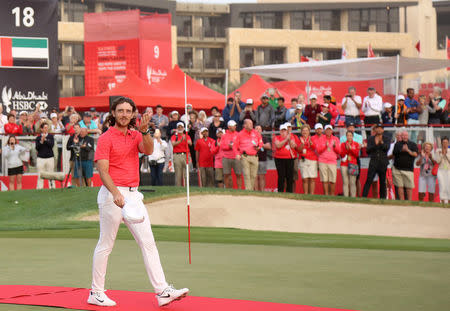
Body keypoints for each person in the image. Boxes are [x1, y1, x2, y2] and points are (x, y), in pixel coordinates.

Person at [89, 97, 188, 307]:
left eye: (128, 111)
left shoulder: (136, 134)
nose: (124, 114)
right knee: (106, 244)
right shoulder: (106, 138)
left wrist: (144, 131)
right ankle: (96, 292)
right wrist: (115, 193)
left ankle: (162, 291)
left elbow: (149, 150)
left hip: (134, 195)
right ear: (113, 113)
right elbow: (103, 171)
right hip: (112, 195)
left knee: (148, 242)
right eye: (120, 111)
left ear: (133, 114)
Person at [362, 124, 390, 199]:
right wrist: (376, 145)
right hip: (373, 161)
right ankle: (364, 197)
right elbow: (368, 150)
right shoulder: (371, 139)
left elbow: (387, 148)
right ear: (375, 130)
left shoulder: (386, 138)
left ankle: (382, 198)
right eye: (378, 128)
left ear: (383, 130)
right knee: (369, 179)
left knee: (382, 181)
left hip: (382, 162)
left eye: (381, 128)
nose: (379, 130)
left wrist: (382, 143)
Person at [234, 119, 263, 191]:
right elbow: (235, 146)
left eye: (252, 124)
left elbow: (260, 142)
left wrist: (258, 147)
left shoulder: (256, 133)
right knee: (246, 174)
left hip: (255, 156)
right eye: (249, 124)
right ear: (245, 125)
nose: (251, 125)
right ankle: (248, 190)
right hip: (245, 156)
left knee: (253, 175)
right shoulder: (240, 134)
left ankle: (250, 189)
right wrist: (237, 154)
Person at [392, 131, 418, 201]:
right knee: (399, 186)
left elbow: (415, 154)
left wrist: (408, 150)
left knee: (409, 187)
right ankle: (401, 201)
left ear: (408, 136)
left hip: (408, 169)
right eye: (403, 135)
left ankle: (409, 201)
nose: (404, 137)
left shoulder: (413, 144)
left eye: (406, 135)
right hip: (397, 169)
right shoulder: (397, 144)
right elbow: (394, 153)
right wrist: (401, 150)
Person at [315, 124, 340, 196]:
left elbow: (339, 151)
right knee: (324, 180)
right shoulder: (321, 139)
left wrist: (335, 147)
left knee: (332, 180)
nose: (328, 131)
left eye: (330, 130)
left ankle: (332, 194)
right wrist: (325, 146)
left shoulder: (336, 139)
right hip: (323, 161)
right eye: (327, 130)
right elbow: (318, 151)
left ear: (332, 131)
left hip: (332, 161)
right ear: (325, 131)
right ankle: (326, 194)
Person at [273, 124, 296, 193]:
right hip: (279, 159)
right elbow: (278, 145)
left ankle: (289, 192)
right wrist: (286, 139)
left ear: (287, 131)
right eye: (282, 131)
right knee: (281, 176)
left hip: (289, 158)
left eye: (284, 131)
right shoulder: (276, 137)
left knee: (290, 176)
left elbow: (293, 145)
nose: (283, 132)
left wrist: (289, 140)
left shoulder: (291, 137)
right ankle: (280, 191)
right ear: (280, 132)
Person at [221, 120, 242, 189]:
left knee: (238, 174)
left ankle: (239, 190)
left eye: (235, 125)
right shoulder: (224, 136)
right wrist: (228, 147)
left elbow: (241, 145)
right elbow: (222, 146)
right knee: (226, 174)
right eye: (234, 125)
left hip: (236, 157)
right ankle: (228, 189)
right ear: (229, 127)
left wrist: (234, 146)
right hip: (226, 157)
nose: (235, 127)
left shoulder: (238, 134)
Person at [298, 125, 317, 195]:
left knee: (312, 178)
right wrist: (302, 144)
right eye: (303, 130)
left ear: (309, 131)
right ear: (301, 132)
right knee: (305, 178)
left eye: (306, 130)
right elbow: (298, 150)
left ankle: (311, 195)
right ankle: (306, 194)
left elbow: (315, 148)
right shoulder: (299, 139)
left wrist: (311, 144)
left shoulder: (313, 138)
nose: (305, 132)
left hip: (312, 160)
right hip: (303, 160)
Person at [171, 122, 192, 186]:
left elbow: (190, 143)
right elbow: (173, 144)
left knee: (186, 172)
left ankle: (186, 186)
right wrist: (180, 140)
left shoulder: (186, 136)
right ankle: (178, 187)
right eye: (179, 127)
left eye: (181, 127)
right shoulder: (174, 136)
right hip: (177, 155)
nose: (180, 128)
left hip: (185, 155)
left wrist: (185, 139)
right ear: (177, 128)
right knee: (178, 173)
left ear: (183, 128)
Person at [340, 131, 361, 197]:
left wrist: (351, 149)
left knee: (352, 182)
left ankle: (353, 197)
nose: (349, 137)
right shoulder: (343, 144)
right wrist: (347, 149)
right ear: (346, 136)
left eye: (350, 135)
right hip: (344, 164)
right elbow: (342, 154)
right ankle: (346, 196)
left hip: (353, 164)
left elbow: (357, 154)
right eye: (348, 135)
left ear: (352, 136)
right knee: (345, 182)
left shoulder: (356, 144)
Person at [35, 123, 55, 189]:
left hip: (50, 158)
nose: (46, 129)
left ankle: (52, 188)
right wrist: (41, 141)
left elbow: (51, 145)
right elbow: (37, 148)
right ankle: (39, 189)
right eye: (45, 127)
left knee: (51, 174)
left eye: (47, 127)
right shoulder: (38, 137)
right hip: (40, 158)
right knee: (40, 174)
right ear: (41, 129)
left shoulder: (50, 136)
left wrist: (45, 140)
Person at [255, 125, 271, 191]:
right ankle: (255, 191)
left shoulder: (264, 138)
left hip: (262, 160)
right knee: (255, 177)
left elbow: (269, 146)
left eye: (259, 129)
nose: (258, 130)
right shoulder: (252, 138)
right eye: (256, 129)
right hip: (254, 160)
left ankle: (262, 191)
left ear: (261, 130)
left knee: (262, 177)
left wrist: (261, 145)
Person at [434, 137, 450, 204]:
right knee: (442, 185)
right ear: (441, 143)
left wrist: (446, 154)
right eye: (443, 142)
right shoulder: (438, 150)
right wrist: (441, 154)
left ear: (448, 143)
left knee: (448, 186)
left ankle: (448, 202)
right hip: (440, 170)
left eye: (446, 142)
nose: (445, 144)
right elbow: (437, 161)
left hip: (448, 170)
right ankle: (442, 201)